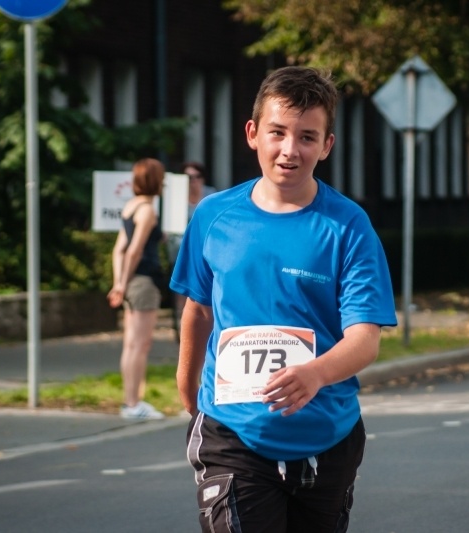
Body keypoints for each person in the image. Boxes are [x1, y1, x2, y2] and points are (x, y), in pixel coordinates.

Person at [170, 66, 397, 532]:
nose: (290, 150)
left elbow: (365, 339)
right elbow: (198, 307)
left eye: (307, 137)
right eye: (278, 132)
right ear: (253, 133)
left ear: (327, 145)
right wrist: (186, 380)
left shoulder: (348, 227)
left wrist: (315, 374)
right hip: (232, 435)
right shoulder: (213, 215)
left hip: (326, 437)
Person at [107, 158, 167, 420]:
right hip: (144, 281)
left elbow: (118, 249)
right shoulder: (148, 211)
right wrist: (121, 283)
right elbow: (135, 250)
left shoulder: (131, 207)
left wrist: (119, 282)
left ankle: (130, 402)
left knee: (130, 345)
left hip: (132, 282)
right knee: (140, 345)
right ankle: (134, 404)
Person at [167, 162, 218, 342]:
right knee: (183, 296)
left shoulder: (211, 197)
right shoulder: (174, 199)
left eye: (197, 177)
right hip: (181, 252)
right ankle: (184, 334)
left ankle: (206, 334)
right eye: (188, 177)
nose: (193, 181)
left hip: (207, 254)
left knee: (205, 296)